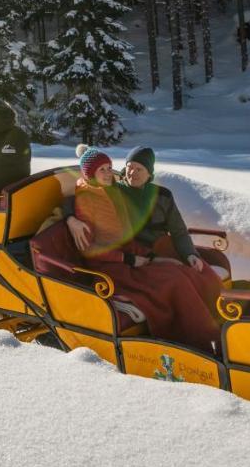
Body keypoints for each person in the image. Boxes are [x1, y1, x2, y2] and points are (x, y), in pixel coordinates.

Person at [63, 145, 221, 351]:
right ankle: (196, 340)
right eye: (130, 167)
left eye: (140, 169)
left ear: (149, 174)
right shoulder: (115, 190)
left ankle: (222, 323)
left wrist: (190, 254)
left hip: (144, 251)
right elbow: (76, 197)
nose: (132, 173)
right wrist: (70, 219)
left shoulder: (158, 195)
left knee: (198, 273)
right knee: (175, 280)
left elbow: (179, 231)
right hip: (125, 260)